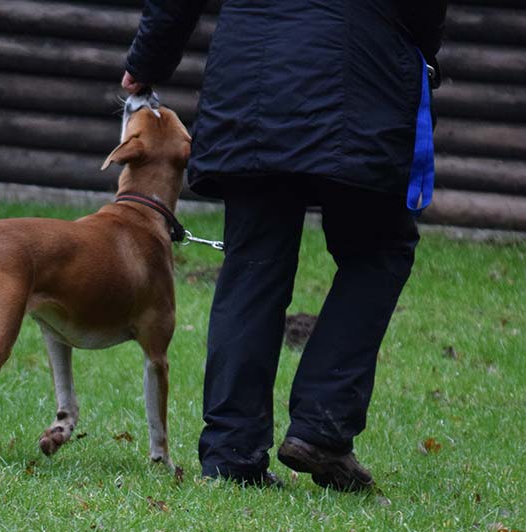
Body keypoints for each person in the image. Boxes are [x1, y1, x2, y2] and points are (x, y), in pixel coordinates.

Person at [122, 0, 448, 490]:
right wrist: (419, 49)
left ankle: (231, 454)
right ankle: (322, 426)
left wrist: (147, 61)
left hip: (251, 81)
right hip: (362, 73)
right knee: (378, 250)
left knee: (253, 264)